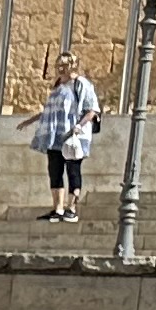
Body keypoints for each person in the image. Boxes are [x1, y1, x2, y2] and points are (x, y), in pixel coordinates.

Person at [28, 57, 100, 223]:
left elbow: (92, 110)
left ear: (73, 66)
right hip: (55, 136)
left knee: (73, 170)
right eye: (58, 65)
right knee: (55, 171)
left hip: (74, 136)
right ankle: (58, 208)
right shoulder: (58, 86)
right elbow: (50, 111)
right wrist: (30, 121)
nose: (61, 68)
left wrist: (79, 126)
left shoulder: (81, 84)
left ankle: (72, 208)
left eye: (65, 65)